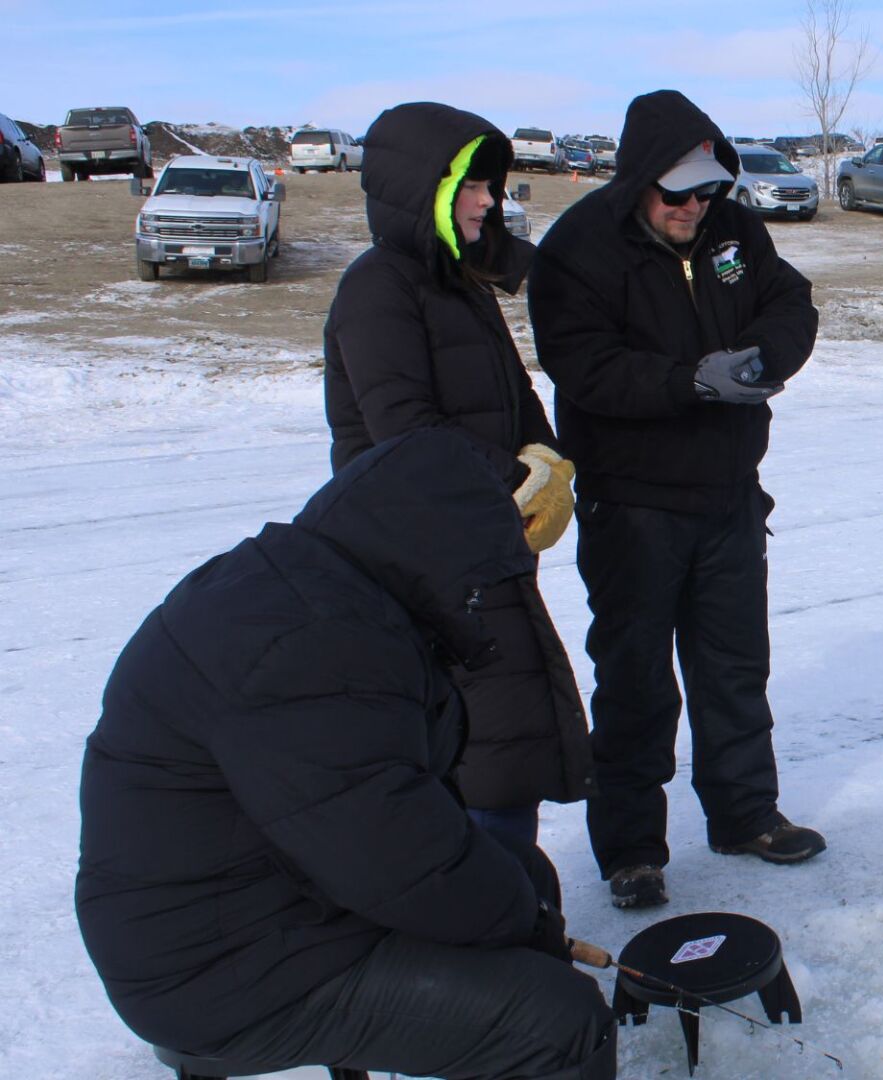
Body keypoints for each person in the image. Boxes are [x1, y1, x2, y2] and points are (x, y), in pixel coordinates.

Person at [76, 430, 617, 1080]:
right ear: (431, 553)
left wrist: (520, 912)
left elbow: (387, 816)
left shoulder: (312, 586)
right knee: (559, 1020)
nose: (473, 601)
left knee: (519, 874)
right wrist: (528, 931)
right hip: (218, 968)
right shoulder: (315, 647)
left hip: (265, 898)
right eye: (472, 585)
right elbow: (396, 862)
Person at [529, 90, 824, 911]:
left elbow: (789, 302)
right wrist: (689, 381)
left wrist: (764, 359)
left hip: (729, 495)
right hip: (634, 507)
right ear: (638, 182)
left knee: (734, 667)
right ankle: (631, 850)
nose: (695, 206)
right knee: (635, 683)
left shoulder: (733, 228)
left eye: (705, 188)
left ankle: (745, 815)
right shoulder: (579, 249)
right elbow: (583, 365)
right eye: (678, 193)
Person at [322, 101, 593, 851]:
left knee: (509, 745)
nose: (486, 201)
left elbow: (515, 397)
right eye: (468, 186)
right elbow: (406, 433)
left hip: (482, 552)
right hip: (423, 568)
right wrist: (517, 481)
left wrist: (551, 464)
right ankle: (493, 930)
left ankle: (517, 915)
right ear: (421, 191)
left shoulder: (458, 286)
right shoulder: (379, 289)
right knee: (477, 753)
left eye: (488, 187)